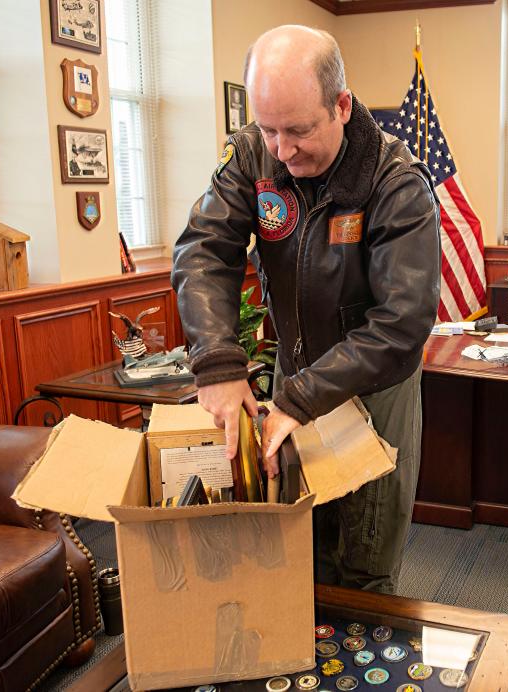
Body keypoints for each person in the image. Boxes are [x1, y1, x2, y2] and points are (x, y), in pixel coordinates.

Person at [171, 25, 441, 594]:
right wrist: (217, 364)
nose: (281, 150)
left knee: (363, 566)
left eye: (297, 130)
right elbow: (203, 251)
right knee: (296, 547)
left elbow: (402, 324)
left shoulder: (397, 182)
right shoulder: (253, 153)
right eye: (268, 129)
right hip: (295, 375)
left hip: (373, 386)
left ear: (341, 106)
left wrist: (299, 398)